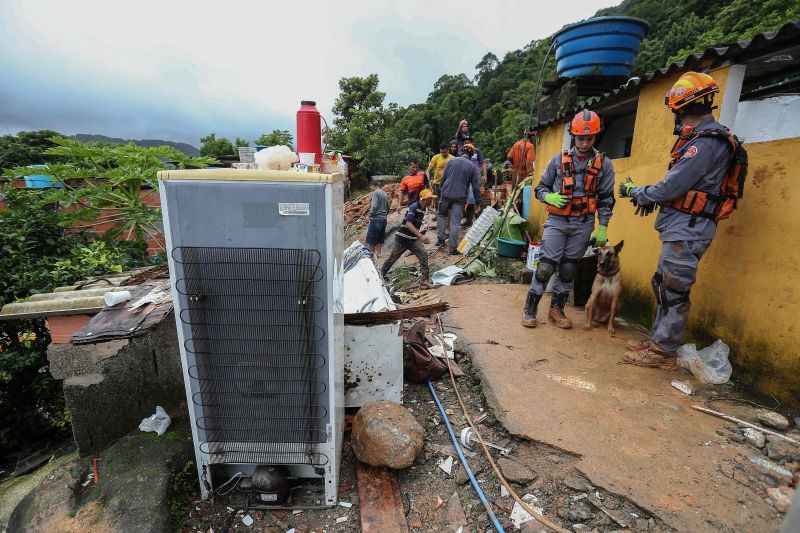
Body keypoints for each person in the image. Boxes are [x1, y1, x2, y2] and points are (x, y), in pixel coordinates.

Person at [619, 72, 740, 368]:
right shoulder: (701, 140)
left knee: (674, 289)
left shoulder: (706, 143)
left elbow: (672, 186)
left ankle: (663, 352)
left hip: (689, 228)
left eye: (676, 111)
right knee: (663, 284)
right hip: (682, 226)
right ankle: (658, 341)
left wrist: (639, 192)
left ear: (685, 109)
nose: (676, 118)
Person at [522, 109, 616, 329]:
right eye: (580, 138)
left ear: (595, 137)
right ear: (574, 135)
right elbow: (539, 189)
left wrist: (603, 227)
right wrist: (550, 196)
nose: (584, 143)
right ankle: (530, 308)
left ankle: (557, 309)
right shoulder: (558, 161)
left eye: (589, 138)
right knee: (545, 267)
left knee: (568, 269)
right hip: (557, 221)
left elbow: (606, 199)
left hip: (583, 223)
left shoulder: (605, 165)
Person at [381, 188, 435, 287]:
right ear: (423, 199)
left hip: (412, 239)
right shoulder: (414, 207)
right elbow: (408, 223)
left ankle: (424, 280)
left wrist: (419, 235)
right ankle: (380, 275)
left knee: (423, 255)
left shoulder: (423, 209)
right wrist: (420, 236)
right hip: (403, 238)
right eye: (429, 199)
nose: (431, 201)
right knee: (393, 258)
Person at [437, 145, 481, 254]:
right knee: (455, 222)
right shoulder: (472, 167)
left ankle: (440, 240)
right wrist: (478, 202)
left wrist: (440, 191)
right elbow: (475, 187)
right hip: (460, 196)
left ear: (461, 152)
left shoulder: (451, 161)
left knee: (442, 215)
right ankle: (452, 248)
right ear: (471, 155)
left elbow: (443, 178)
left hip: (446, 193)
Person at [462, 139, 484, 226]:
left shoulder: (477, 152)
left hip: (475, 177)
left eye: (469, 142)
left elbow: (482, 164)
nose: (467, 144)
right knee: (469, 199)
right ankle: (469, 220)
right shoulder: (462, 153)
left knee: (472, 198)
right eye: (466, 142)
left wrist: (483, 175)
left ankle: (477, 219)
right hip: (466, 178)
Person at [365, 184, 390, 258]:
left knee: (371, 240)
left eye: (370, 187)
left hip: (376, 219)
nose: (370, 189)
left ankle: (371, 256)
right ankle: (379, 254)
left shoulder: (376, 193)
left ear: (373, 185)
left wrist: (369, 215)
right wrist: (384, 215)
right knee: (380, 238)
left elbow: (374, 206)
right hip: (383, 219)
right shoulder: (385, 194)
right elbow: (388, 207)